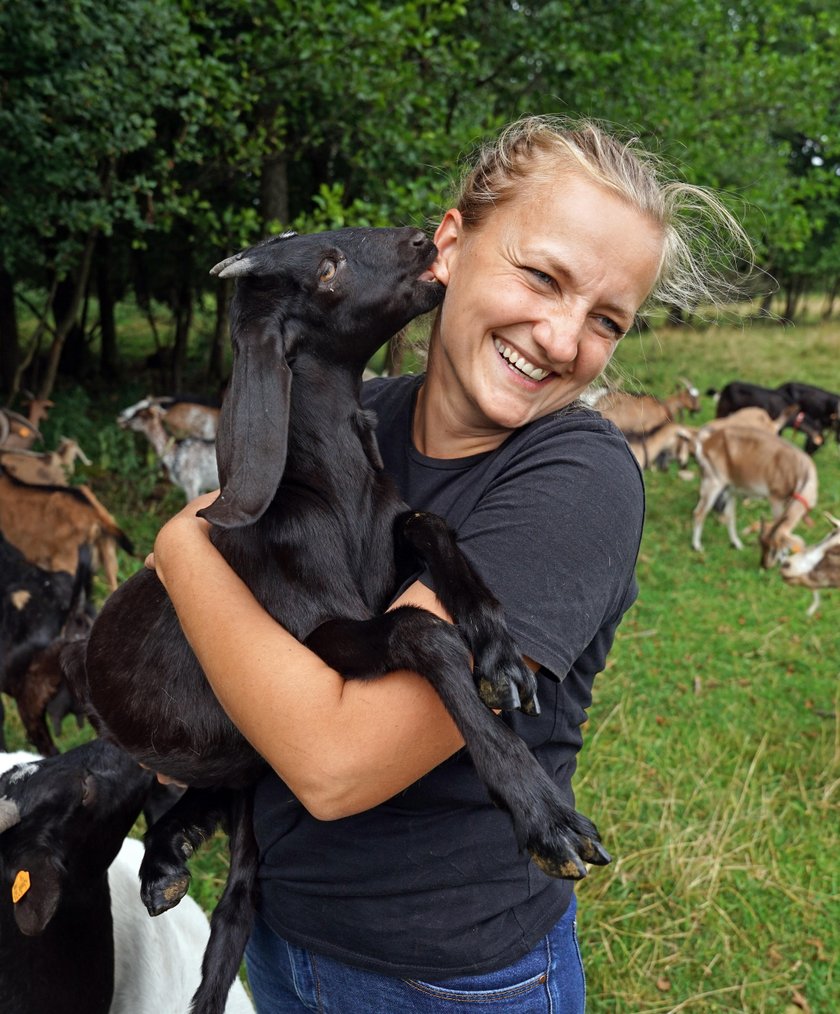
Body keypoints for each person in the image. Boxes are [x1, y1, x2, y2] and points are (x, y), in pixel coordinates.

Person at [146, 116, 748, 1012]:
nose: (560, 338)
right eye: (542, 276)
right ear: (450, 246)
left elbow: (336, 761)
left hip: (453, 979)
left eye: (606, 320)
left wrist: (176, 545)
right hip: (278, 940)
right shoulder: (360, 419)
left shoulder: (578, 480)